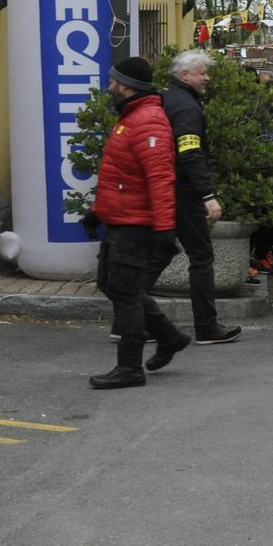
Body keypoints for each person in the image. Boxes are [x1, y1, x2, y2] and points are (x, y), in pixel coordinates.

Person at [89, 57, 189, 390]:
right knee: (113, 284)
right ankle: (168, 335)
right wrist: (97, 211)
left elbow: (160, 178)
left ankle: (130, 367)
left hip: (135, 225)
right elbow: (121, 177)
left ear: (126, 85)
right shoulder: (132, 117)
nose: (109, 86)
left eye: (112, 81)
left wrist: (164, 228)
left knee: (126, 293)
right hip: (121, 220)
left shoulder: (148, 122)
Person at [159, 49, 242, 345]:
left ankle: (129, 321)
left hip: (165, 187)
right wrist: (208, 194)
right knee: (201, 256)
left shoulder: (168, 97)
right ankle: (206, 327)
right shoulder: (187, 108)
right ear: (185, 75)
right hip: (184, 191)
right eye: (202, 72)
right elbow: (191, 153)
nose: (207, 78)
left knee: (157, 253)